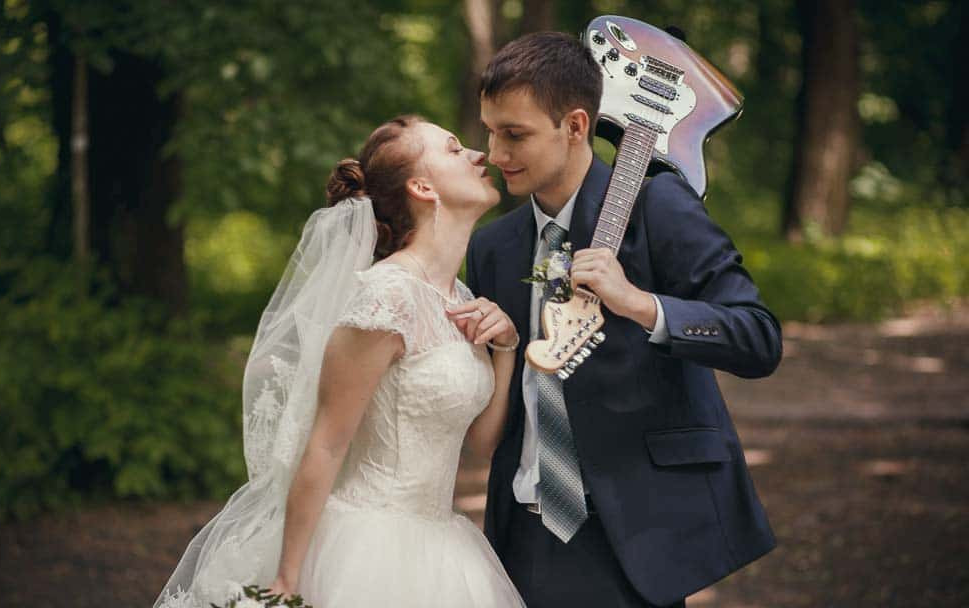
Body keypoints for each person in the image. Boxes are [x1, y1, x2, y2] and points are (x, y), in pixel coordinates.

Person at [154, 115, 527, 608]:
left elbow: (480, 446)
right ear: (422, 186)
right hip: (363, 549)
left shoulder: (461, 300)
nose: (479, 155)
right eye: (455, 149)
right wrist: (287, 582)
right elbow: (326, 444)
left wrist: (506, 350)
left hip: (443, 549)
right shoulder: (386, 297)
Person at [465, 32, 782, 608]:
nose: (496, 152)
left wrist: (641, 304)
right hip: (522, 533)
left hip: (634, 531)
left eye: (515, 134)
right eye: (490, 130)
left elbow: (758, 337)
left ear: (577, 126)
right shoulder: (493, 248)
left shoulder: (658, 207)